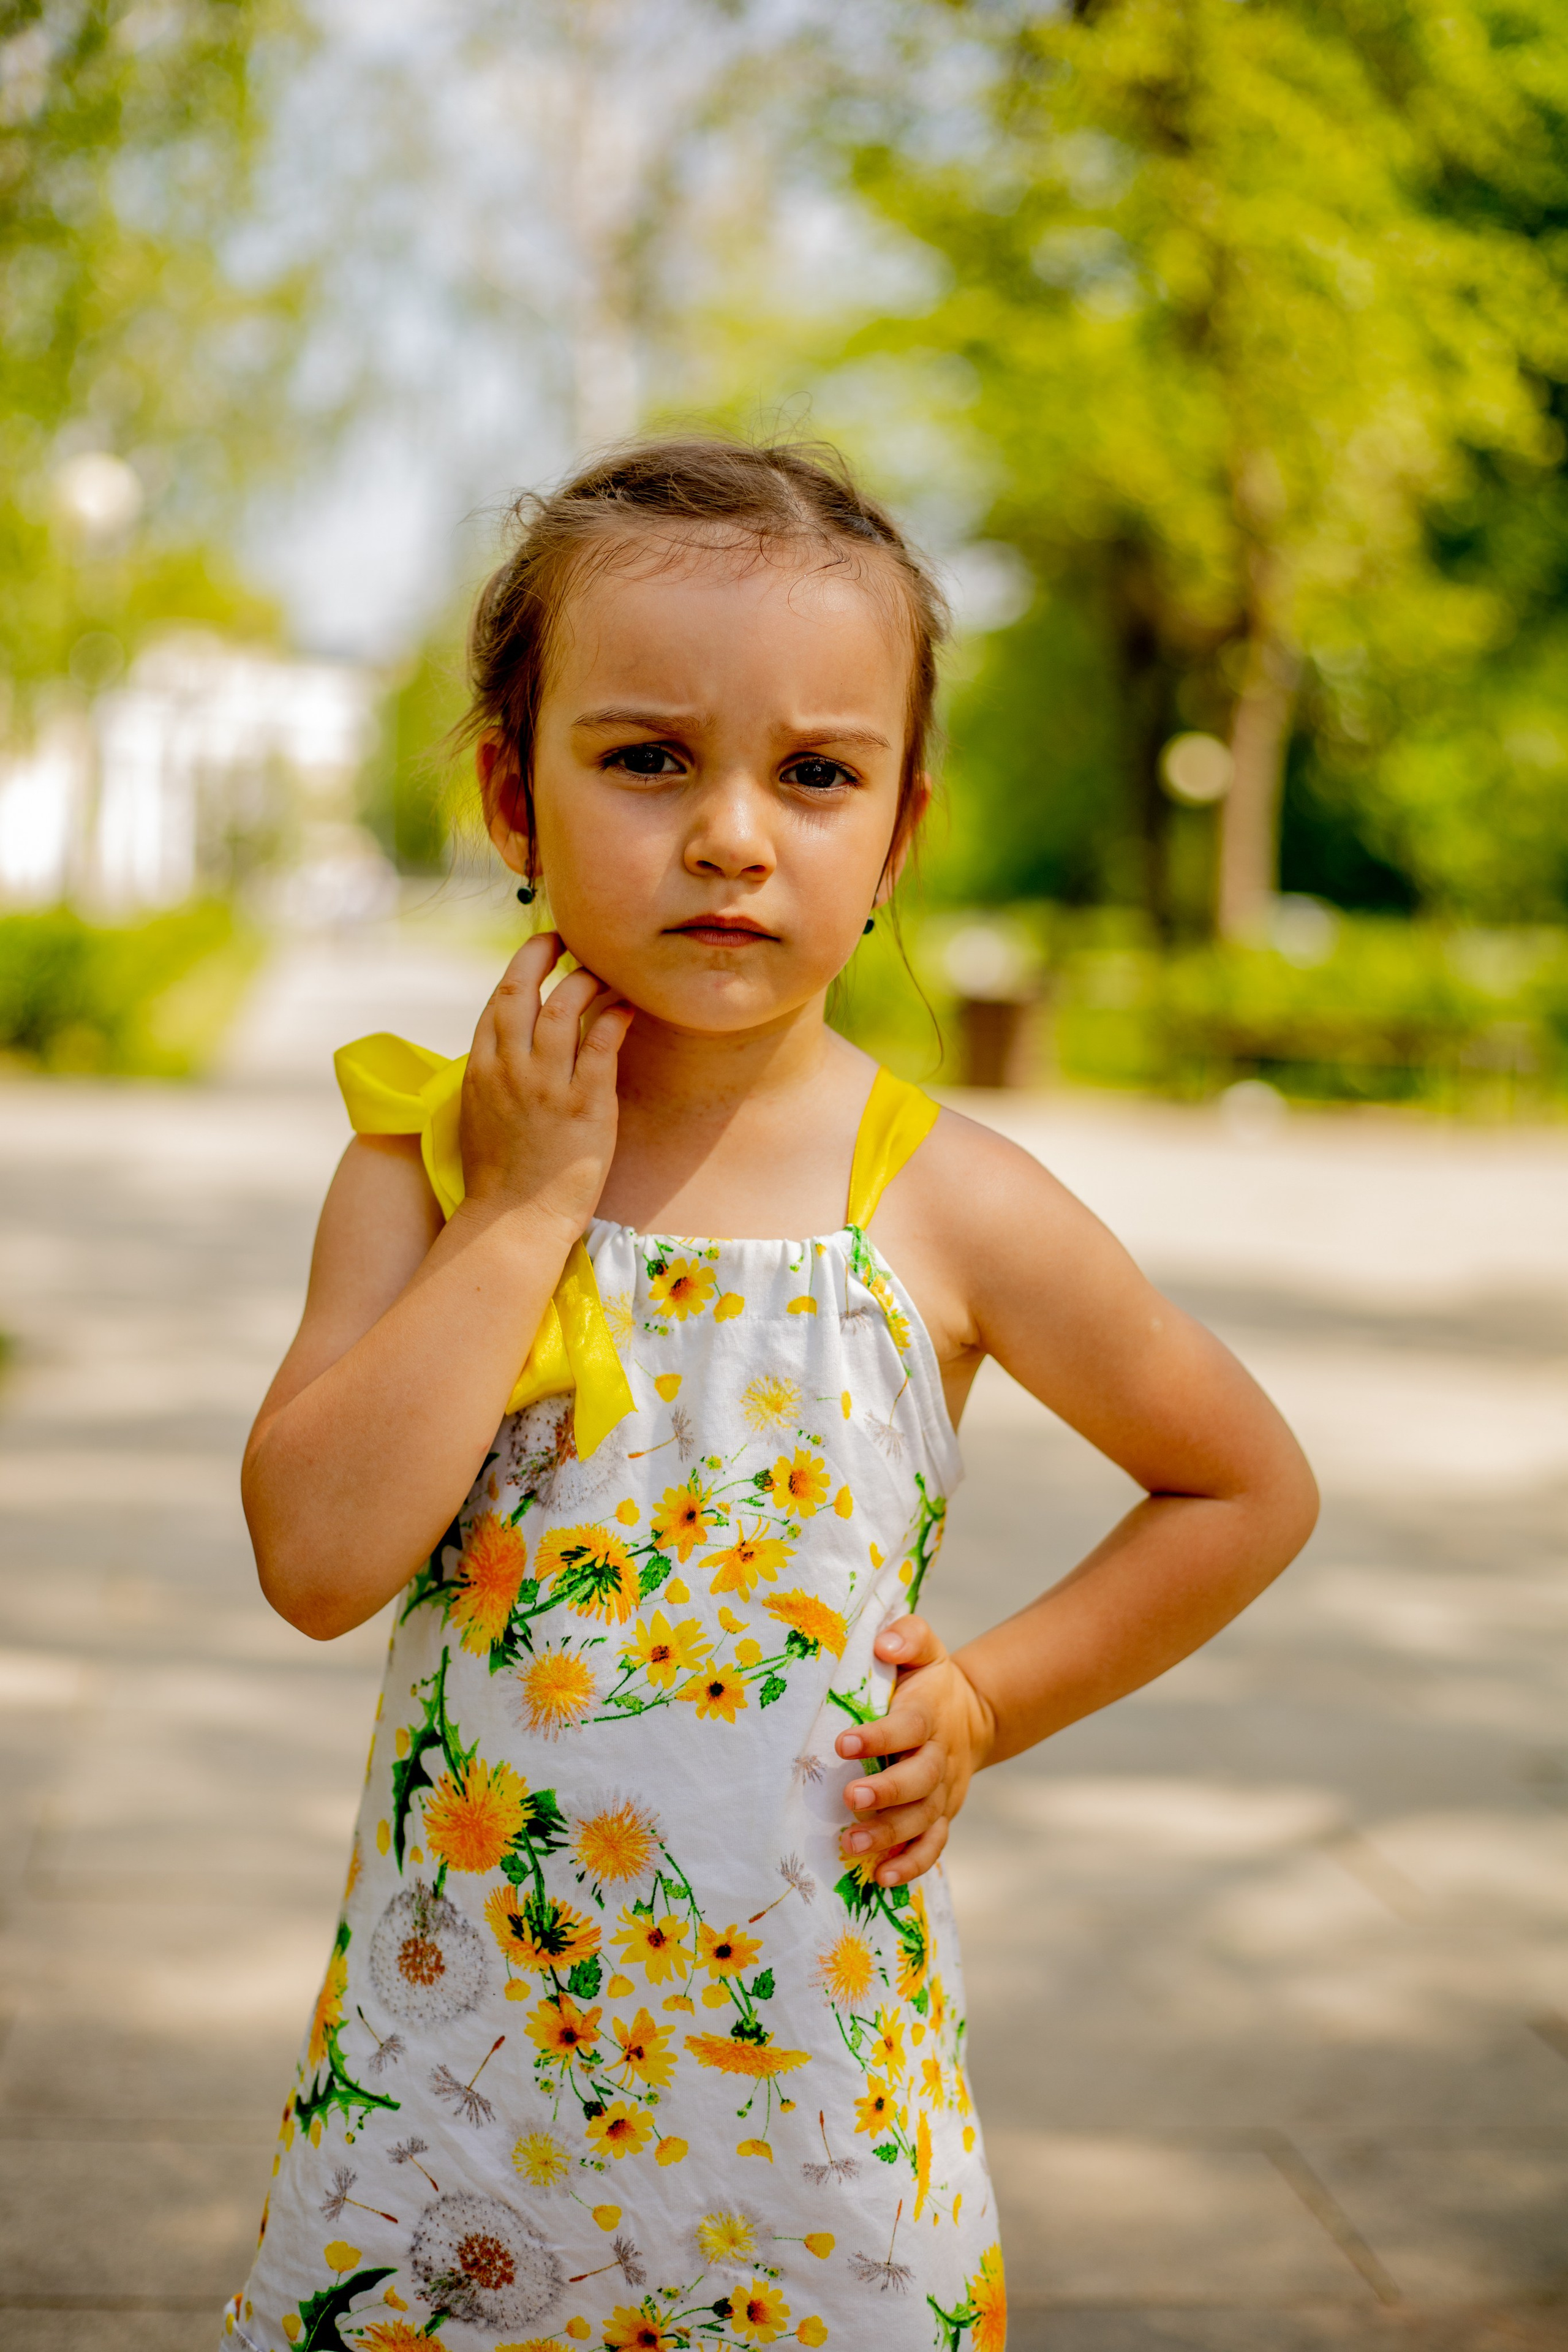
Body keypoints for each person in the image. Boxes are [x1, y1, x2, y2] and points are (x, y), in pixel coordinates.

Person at [223, 436, 1317, 2352]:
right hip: (457, 2103)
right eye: (649, 759)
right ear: (512, 792)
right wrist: (536, 1203)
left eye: (816, 774)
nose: (735, 833)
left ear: (895, 836)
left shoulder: (951, 1202)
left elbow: (1244, 1485)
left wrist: (989, 1696)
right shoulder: (425, 1163)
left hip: (812, 2115)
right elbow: (317, 1559)